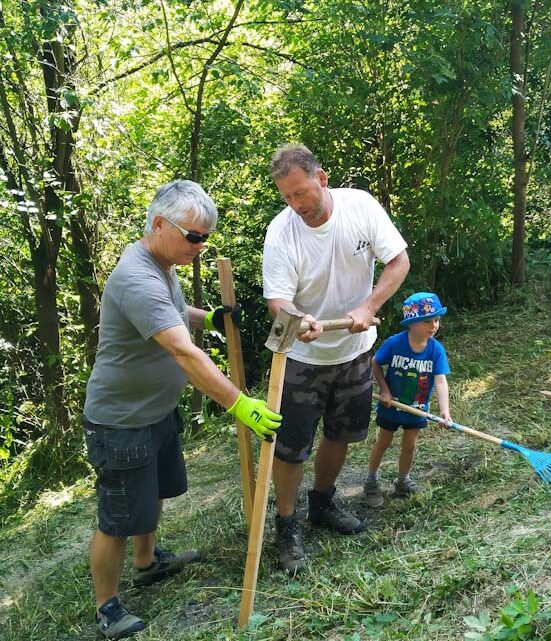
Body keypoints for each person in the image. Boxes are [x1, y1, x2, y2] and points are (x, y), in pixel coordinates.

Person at [83, 180, 282, 640]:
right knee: (117, 516)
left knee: (152, 490)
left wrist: (206, 316)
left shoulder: (162, 262)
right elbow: (185, 354)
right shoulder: (136, 276)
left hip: (155, 411)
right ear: (159, 224)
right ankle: (106, 605)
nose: (200, 246)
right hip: (121, 422)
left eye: (205, 239)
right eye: (194, 236)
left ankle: (147, 562)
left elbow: (172, 310)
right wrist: (240, 404)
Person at [262, 143, 410, 573]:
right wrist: (296, 317)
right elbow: (277, 298)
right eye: (287, 197)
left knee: (342, 433)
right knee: (290, 447)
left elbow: (398, 261)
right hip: (300, 354)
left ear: (321, 179)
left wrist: (369, 306)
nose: (295, 204)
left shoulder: (360, 207)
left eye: (301, 193)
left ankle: (322, 504)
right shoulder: (282, 231)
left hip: (354, 350)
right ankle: (286, 524)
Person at [364, 292, 451, 507]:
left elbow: (440, 380)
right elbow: (375, 363)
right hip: (391, 407)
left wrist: (444, 410)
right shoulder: (395, 343)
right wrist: (384, 390)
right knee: (384, 441)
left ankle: (402, 480)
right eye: (428, 321)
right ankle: (371, 480)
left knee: (409, 445)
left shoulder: (436, 350)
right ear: (412, 323)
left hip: (417, 409)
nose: (434, 325)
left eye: (437, 320)